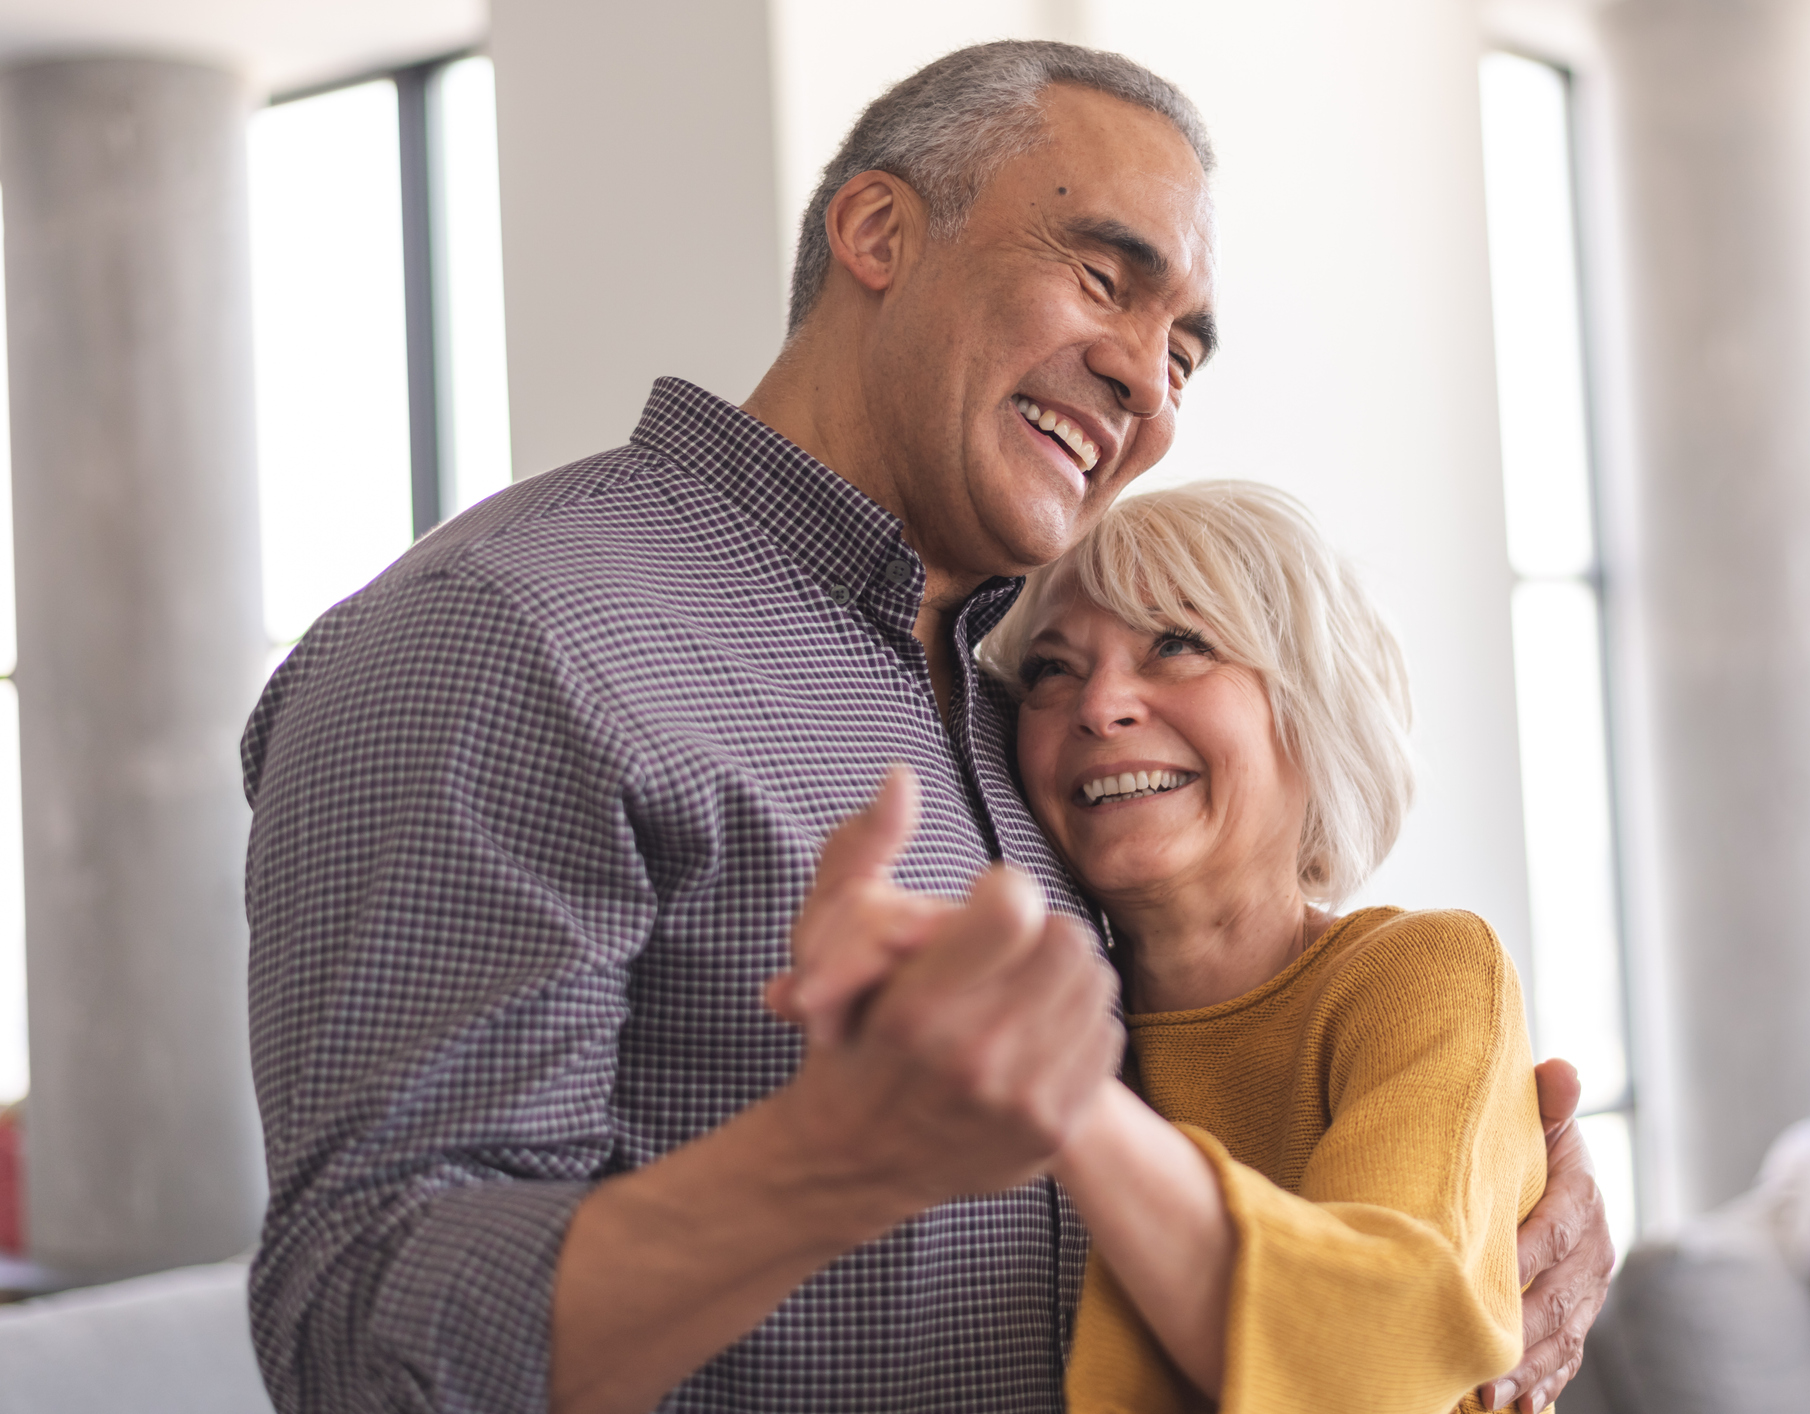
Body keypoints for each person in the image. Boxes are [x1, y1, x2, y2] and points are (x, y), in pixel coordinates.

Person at [242, 40, 1609, 1414]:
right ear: (879, 232)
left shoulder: (1038, 710)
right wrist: (827, 1158)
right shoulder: (500, 633)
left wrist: (1495, 1206)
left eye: (1182, 347)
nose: (1149, 381)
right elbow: (364, 1344)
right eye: (1103, 278)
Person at [786, 482, 1554, 1412]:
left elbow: (1370, 1363)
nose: (1100, 706)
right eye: (1051, 672)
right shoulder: (1071, 1002)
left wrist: (1056, 1094)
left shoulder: (1423, 974)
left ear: (1317, 705)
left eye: (1179, 645)